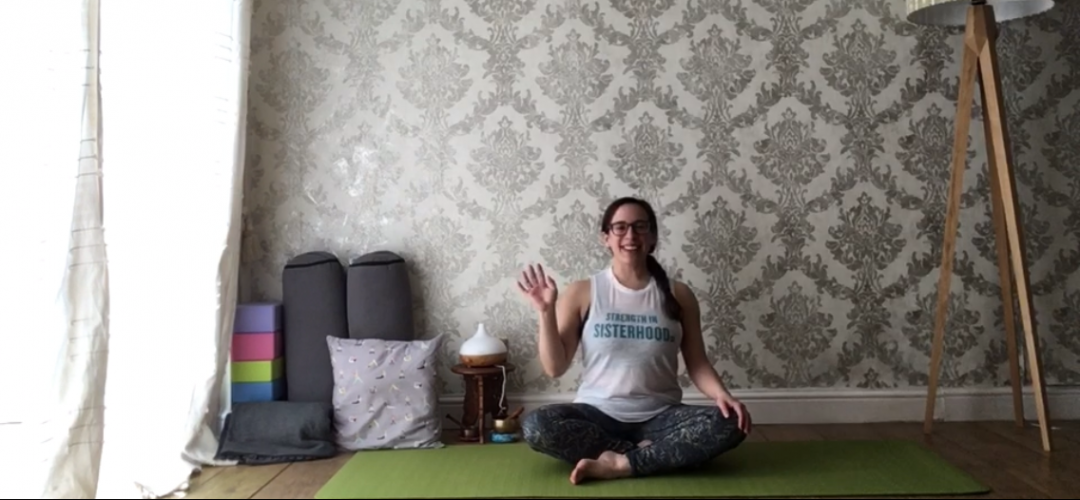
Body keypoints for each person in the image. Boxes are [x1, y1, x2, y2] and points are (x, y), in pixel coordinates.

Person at [516, 196, 751, 485]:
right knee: (537, 425)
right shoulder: (583, 292)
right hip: (597, 415)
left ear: (652, 237)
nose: (630, 235)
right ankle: (647, 456)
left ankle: (620, 463)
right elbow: (555, 367)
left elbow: (698, 362)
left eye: (640, 227)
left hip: (661, 417)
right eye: (620, 227)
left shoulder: (679, 295)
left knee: (731, 422)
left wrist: (722, 395)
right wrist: (545, 311)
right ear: (605, 238)